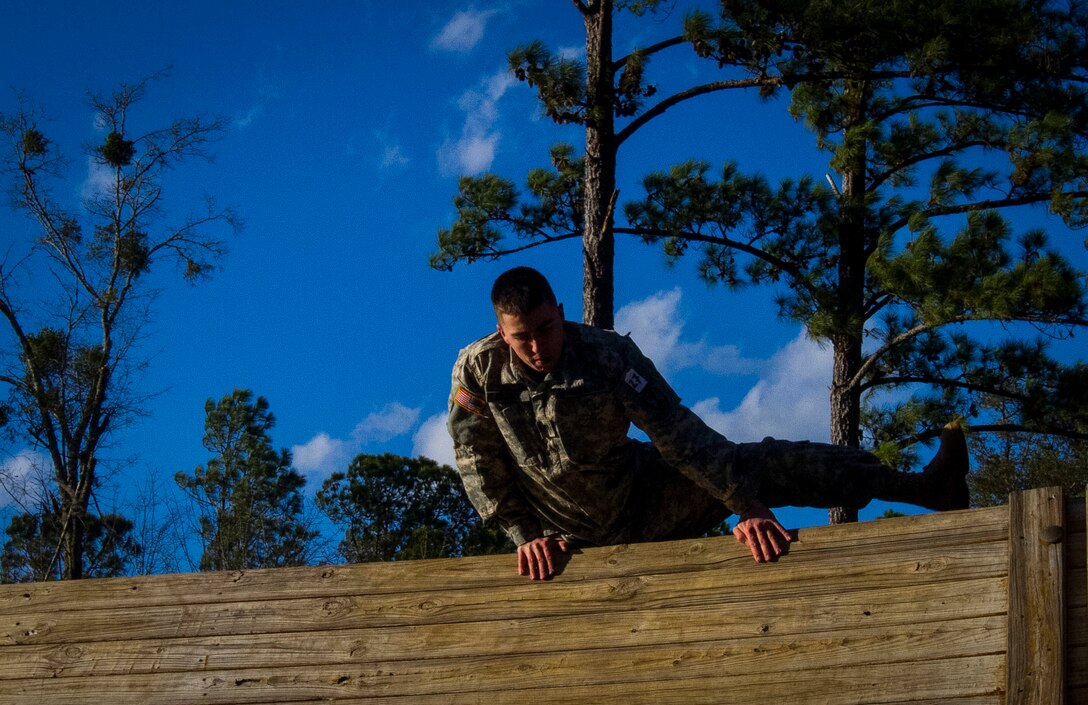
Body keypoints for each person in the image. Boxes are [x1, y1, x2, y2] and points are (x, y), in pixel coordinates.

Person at [447, 266, 969, 580]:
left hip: (643, 499)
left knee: (758, 462)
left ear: (560, 312)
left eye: (546, 328)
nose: (538, 347)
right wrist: (525, 535)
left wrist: (745, 504)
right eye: (522, 337)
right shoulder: (476, 371)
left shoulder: (608, 356)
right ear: (500, 331)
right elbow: (477, 462)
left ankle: (925, 487)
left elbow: (676, 431)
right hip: (566, 534)